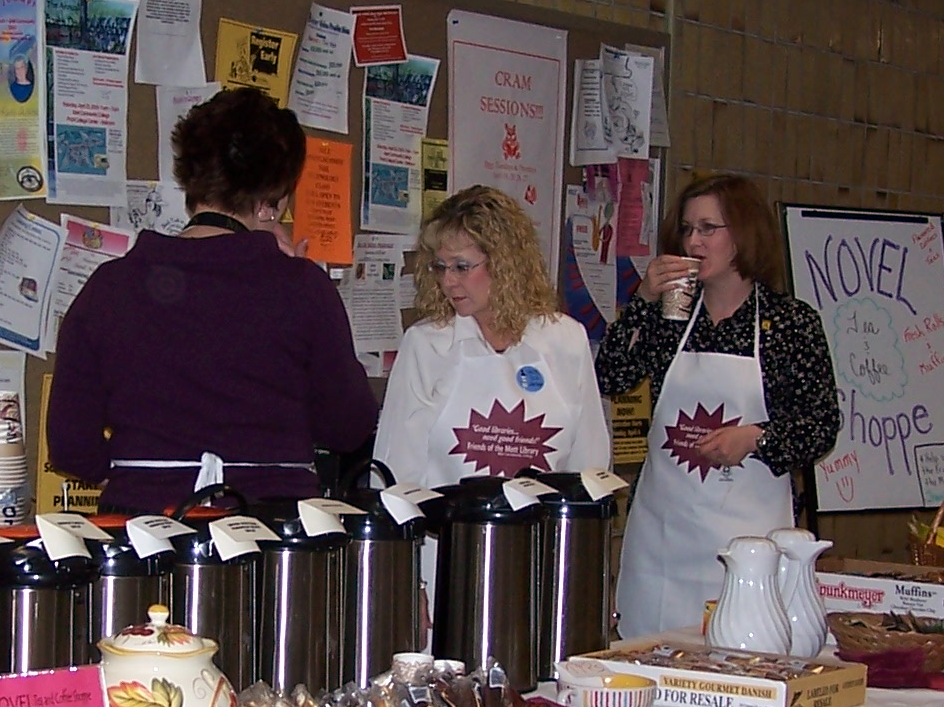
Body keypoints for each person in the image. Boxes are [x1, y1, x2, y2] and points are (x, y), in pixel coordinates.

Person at [49, 87, 377, 513]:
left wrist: (140, 472)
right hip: (272, 541)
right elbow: (348, 427)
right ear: (272, 200)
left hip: (143, 534)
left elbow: (71, 445)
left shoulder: (111, 286)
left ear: (192, 178)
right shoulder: (301, 288)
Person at [596, 172, 840, 637]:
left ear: (744, 233)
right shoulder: (672, 315)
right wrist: (644, 299)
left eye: (709, 228)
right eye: (687, 230)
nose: (694, 241)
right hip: (662, 540)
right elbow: (612, 376)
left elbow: (821, 425)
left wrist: (757, 437)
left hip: (746, 542)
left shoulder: (789, 323)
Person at [375, 185, 609, 487]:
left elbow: (589, 468)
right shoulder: (426, 345)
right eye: (440, 266)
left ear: (504, 263)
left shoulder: (566, 340)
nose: (448, 281)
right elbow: (395, 472)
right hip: (447, 532)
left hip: (539, 531)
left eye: (461, 267)